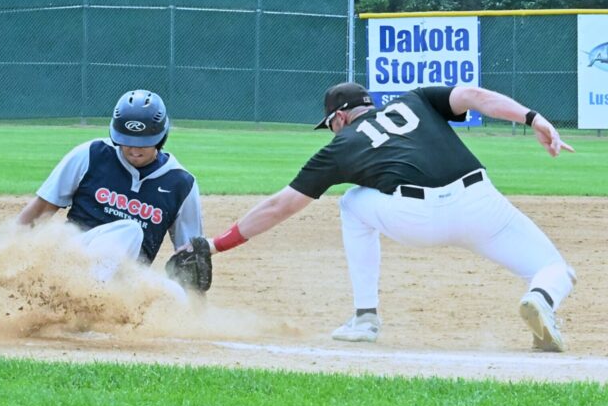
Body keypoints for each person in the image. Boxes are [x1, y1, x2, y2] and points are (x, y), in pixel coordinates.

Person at [203, 83, 576, 352]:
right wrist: (533, 118)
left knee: (351, 204)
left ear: (341, 116)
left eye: (330, 123)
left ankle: (365, 317)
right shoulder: (417, 100)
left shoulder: (342, 145)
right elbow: (476, 97)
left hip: (414, 219)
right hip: (478, 202)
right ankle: (540, 298)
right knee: (554, 268)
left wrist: (217, 245)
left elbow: (279, 206)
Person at [17, 89, 203, 285]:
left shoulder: (181, 183)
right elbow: (40, 210)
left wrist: (193, 305)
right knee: (130, 230)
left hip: (125, 282)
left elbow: (189, 257)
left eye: (143, 144)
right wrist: (4, 257)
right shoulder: (91, 155)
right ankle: (81, 299)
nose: (134, 150)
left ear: (161, 138)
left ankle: (101, 304)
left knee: (175, 295)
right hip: (70, 265)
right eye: (127, 141)